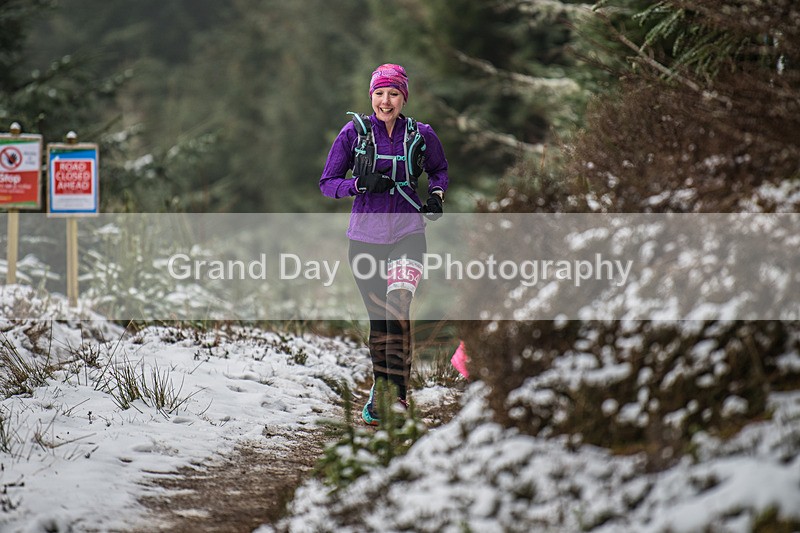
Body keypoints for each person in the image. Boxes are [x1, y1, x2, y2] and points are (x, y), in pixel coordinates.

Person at [320, 63, 449, 425]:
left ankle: (400, 397)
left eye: (393, 93)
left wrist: (436, 195)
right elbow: (327, 182)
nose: (385, 100)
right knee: (380, 319)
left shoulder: (420, 134)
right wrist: (359, 185)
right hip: (364, 240)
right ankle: (382, 390)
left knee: (399, 309)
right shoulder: (353, 133)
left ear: (403, 97)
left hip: (409, 234)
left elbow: (440, 170)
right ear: (371, 96)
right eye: (379, 93)